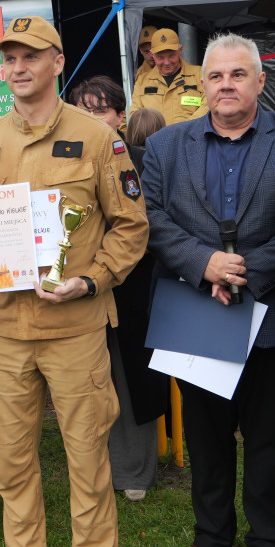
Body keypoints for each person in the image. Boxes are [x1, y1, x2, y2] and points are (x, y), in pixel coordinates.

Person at [0, 16, 148, 547]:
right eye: (8, 57)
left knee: (87, 454)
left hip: (74, 327)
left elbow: (132, 228)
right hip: (4, 330)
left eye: (30, 56)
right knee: (11, 456)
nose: (17, 67)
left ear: (57, 62)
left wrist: (92, 279)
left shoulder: (96, 138)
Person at [144, 34, 275, 547]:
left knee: (266, 436)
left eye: (239, 75)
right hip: (194, 308)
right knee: (207, 436)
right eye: (216, 76)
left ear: (262, 82)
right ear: (201, 83)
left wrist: (243, 271)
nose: (227, 85)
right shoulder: (166, 145)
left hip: (270, 312)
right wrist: (204, 263)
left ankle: (270, 545)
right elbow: (154, 219)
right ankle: (211, 537)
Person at [70, 75, 165, 503]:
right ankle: (93, 465)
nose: (92, 118)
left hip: (131, 286)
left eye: (101, 110)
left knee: (128, 380)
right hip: (75, 288)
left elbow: (152, 224)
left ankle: (133, 471)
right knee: (86, 381)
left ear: (120, 115)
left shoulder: (142, 160)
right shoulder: (64, 159)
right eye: (83, 110)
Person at [130, 28, 205, 125]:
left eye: (171, 56)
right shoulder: (142, 81)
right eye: (160, 57)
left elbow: (208, 106)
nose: (166, 62)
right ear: (152, 54)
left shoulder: (200, 74)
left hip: (190, 138)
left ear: (180, 50)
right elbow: (135, 116)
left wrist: (183, 130)